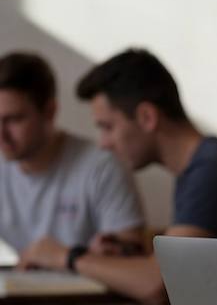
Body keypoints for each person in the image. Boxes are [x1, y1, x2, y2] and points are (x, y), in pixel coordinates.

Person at [20, 48, 217, 301]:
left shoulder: (213, 171)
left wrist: (65, 256)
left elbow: (158, 284)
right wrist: (119, 258)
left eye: (108, 127)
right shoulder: (202, 167)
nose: (103, 143)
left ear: (147, 117)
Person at [0, 52, 144, 265]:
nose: (2, 134)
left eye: (13, 119)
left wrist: (69, 256)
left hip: (89, 296)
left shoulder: (101, 166)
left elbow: (133, 259)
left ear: (50, 111)